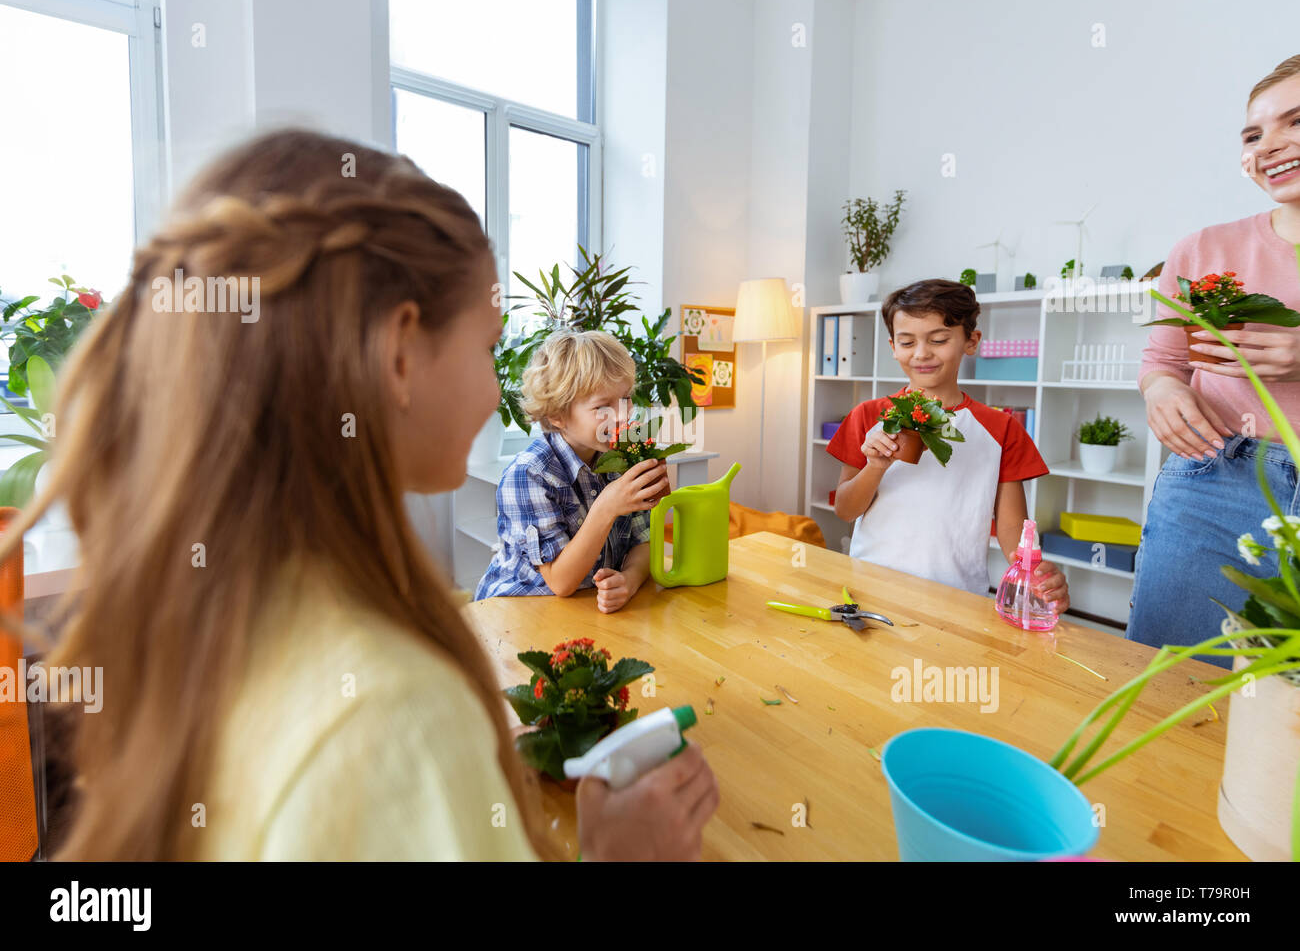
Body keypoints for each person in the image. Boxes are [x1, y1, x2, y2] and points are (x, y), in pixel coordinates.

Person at [0, 129, 717, 860]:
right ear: (401, 355)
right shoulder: (398, 715)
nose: (493, 388)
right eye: (485, 346)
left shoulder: (223, 616)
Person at [1129, 54, 1300, 667]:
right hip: (1216, 476)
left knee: (1285, 715)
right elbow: (1162, 358)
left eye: (1295, 122)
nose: (1269, 146)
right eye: (1254, 134)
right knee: (1174, 683)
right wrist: (1162, 392)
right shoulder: (1204, 247)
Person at [827, 279, 1069, 608]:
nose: (922, 353)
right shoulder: (868, 416)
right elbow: (845, 510)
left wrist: (1034, 576)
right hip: (871, 589)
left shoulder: (1002, 429)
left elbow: (1012, 527)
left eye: (939, 340)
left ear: (971, 341)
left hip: (957, 600)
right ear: (893, 346)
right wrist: (876, 466)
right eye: (907, 342)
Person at [474, 330, 669, 613]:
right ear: (557, 414)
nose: (624, 415)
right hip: (517, 612)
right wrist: (606, 507)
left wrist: (629, 579)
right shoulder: (529, 474)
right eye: (603, 406)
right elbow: (561, 582)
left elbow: (645, 541)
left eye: (626, 398)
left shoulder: (622, 457)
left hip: (581, 611)